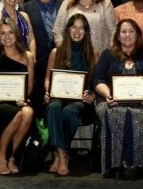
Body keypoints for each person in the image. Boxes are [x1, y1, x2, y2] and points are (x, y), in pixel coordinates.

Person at [94, 19, 143, 178]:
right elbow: (98, 80)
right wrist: (107, 94)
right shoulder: (108, 55)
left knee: (141, 115)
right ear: (118, 36)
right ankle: (115, 165)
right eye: (123, 31)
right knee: (114, 114)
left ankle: (141, 166)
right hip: (111, 101)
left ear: (138, 35)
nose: (127, 35)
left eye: (131, 31)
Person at [43, 14, 98, 176]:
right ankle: (62, 154)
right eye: (74, 27)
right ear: (67, 30)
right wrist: (48, 91)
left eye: (81, 28)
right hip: (59, 97)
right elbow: (47, 79)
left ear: (86, 32)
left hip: (82, 101)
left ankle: (61, 154)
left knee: (69, 112)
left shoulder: (93, 53)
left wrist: (93, 95)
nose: (77, 31)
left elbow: (98, 82)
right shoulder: (56, 52)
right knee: (53, 107)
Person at [0, 18, 35, 175]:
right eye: (3, 33)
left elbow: (29, 85)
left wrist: (24, 97)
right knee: (17, 115)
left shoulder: (27, 56)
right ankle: (1, 156)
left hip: (17, 100)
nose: (7, 36)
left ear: (16, 34)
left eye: (10, 32)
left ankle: (13, 157)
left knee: (28, 112)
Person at [22, 0, 64, 117]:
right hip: (37, 63)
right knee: (37, 105)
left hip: (61, 63)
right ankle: (38, 136)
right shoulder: (25, 8)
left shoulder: (64, 6)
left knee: (58, 104)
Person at [53, 0, 117, 53]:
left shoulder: (105, 3)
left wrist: (110, 56)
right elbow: (58, 30)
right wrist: (64, 52)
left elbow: (113, 32)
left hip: (101, 58)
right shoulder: (67, 3)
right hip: (72, 58)